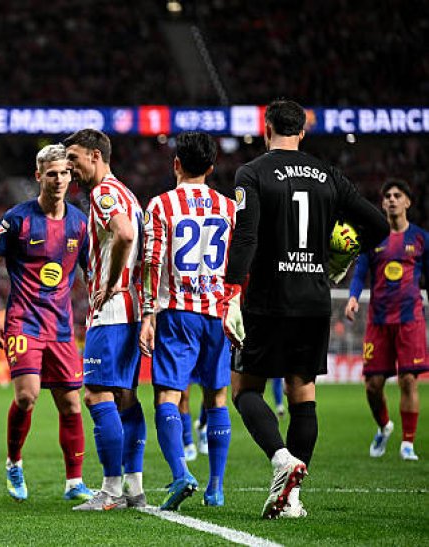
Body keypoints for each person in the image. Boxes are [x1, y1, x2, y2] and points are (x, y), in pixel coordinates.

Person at [223, 99, 389, 519]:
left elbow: (246, 237)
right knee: (302, 394)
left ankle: (282, 459)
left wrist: (231, 292)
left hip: (268, 299)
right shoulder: (329, 175)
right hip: (314, 300)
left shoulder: (252, 172)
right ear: (302, 132)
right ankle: (292, 500)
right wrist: (346, 255)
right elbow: (378, 226)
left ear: (267, 129)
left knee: (244, 391)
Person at [0, 144, 93, 502]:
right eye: (52, 174)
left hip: (60, 326)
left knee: (71, 404)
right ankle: (14, 462)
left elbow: (91, 270)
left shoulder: (79, 222)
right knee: (27, 396)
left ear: (71, 176)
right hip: (24, 320)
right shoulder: (18, 219)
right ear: (38, 176)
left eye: (64, 173)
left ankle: (74, 482)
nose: (59, 180)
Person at [139, 131, 236, 510]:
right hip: (217, 313)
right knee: (217, 397)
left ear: (176, 163)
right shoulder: (229, 208)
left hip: (178, 312)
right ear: (211, 168)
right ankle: (216, 487)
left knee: (167, 394)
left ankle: (181, 473)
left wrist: (148, 313)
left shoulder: (161, 205)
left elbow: (152, 261)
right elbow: (238, 264)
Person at [63, 129, 147, 511]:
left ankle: (111, 490)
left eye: (75, 159)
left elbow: (125, 235)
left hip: (112, 310)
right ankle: (134, 487)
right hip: (133, 309)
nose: (71, 168)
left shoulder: (103, 193)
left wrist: (110, 284)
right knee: (126, 397)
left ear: (95, 156)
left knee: (96, 394)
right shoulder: (130, 194)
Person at [344, 179, 428, 461]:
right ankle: (384, 426)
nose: (392, 199)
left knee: (408, 380)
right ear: (382, 204)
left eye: (397, 195)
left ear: (408, 202)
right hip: (378, 320)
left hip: (410, 319)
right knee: (372, 385)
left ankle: (408, 443)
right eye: (388, 196)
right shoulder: (372, 238)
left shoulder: (421, 239)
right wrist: (353, 297)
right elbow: (359, 274)